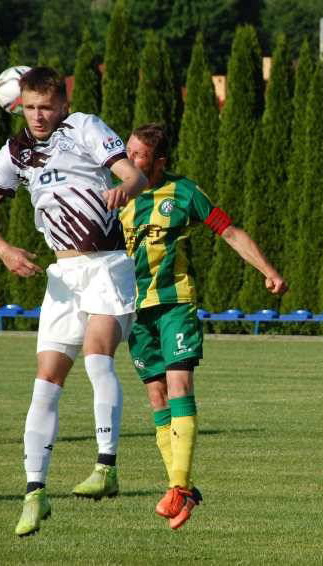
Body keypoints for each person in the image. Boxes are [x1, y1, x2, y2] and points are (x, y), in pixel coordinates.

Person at [0, 67, 149, 537]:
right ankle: (34, 493)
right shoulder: (15, 151)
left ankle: (106, 468)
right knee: (45, 381)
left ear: (62, 104)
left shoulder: (84, 126)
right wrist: (4, 251)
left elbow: (135, 176)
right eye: (30, 108)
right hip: (62, 275)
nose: (38, 116)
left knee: (97, 355)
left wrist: (124, 187)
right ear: (18, 106)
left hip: (106, 264)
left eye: (46, 106)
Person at [120, 124, 287, 529]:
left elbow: (229, 231)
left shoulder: (184, 193)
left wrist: (268, 270)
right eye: (127, 152)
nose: (127, 160)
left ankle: (177, 486)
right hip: (132, 310)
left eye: (138, 155)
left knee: (179, 386)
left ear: (158, 162)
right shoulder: (113, 194)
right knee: (157, 397)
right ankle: (183, 488)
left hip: (174, 302)